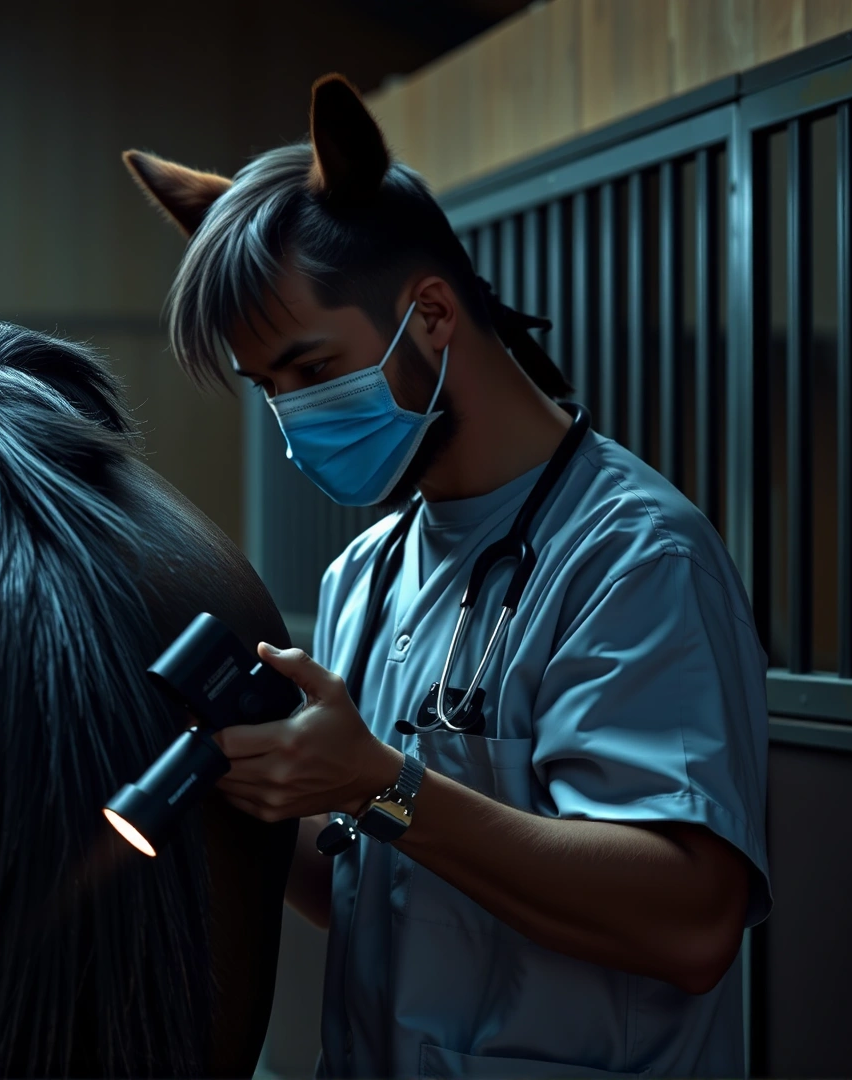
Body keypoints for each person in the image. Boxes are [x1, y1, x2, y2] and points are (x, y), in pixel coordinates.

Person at [122, 74, 771, 1079]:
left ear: (429, 315)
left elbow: (689, 922)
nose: (292, 415)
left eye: (309, 370)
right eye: (268, 390)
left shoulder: (633, 556)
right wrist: (247, 784)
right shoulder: (366, 577)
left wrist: (383, 783)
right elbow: (371, 887)